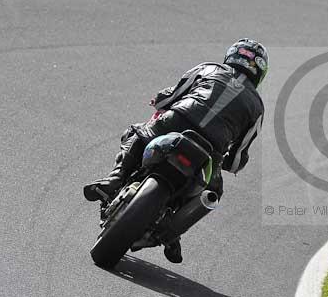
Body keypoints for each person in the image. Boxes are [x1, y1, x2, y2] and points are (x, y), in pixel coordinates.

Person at [83, 39, 267, 263]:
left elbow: (170, 96)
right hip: (212, 150)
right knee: (212, 193)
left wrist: (159, 100)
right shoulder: (257, 107)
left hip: (177, 121)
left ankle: (115, 179)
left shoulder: (208, 68)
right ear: (260, 72)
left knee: (136, 135)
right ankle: (173, 233)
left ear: (231, 56)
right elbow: (238, 158)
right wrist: (228, 163)